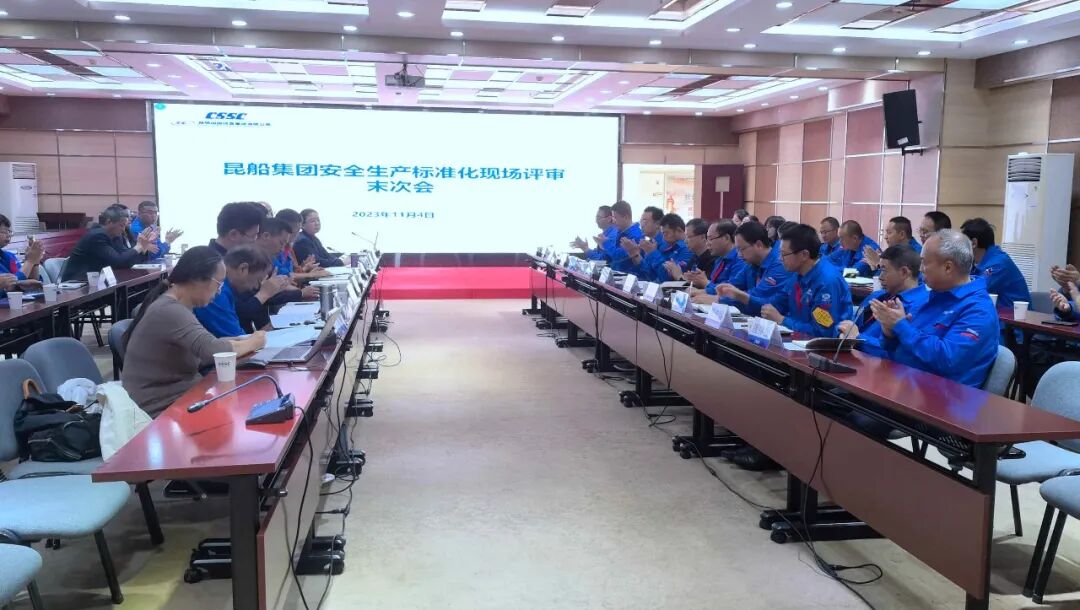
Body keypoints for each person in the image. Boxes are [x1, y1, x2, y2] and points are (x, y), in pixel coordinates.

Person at [121, 246, 266, 417]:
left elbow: (206, 344)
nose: (219, 291)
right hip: (162, 408)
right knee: (245, 410)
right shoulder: (170, 310)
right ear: (198, 279)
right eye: (218, 284)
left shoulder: (179, 306)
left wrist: (243, 340)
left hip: (182, 397)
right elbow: (212, 349)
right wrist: (254, 342)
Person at [846, 230, 999, 388]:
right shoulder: (931, 296)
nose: (920, 269)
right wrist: (889, 332)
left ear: (948, 267)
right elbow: (893, 349)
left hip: (941, 397)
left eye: (925, 262)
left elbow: (947, 360)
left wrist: (900, 326)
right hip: (902, 383)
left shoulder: (978, 310)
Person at [760, 224, 852, 338]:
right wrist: (749, 301)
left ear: (804, 254)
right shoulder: (797, 274)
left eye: (784, 254)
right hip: (797, 340)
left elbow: (823, 332)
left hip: (822, 346)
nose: (780, 259)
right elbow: (777, 303)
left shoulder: (827, 282)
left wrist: (782, 320)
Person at [697, 222, 793, 316]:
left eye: (741, 249)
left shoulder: (779, 264)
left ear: (759, 245)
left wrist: (720, 300)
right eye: (737, 249)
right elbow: (732, 284)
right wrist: (703, 292)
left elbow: (757, 295)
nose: (739, 254)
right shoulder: (751, 263)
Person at [841, 245, 928, 334]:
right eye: (880, 269)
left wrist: (857, 337)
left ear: (904, 272)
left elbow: (899, 343)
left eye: (884, 270)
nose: (880, 277)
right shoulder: (877, 295)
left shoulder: (921, 307)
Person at [193, 245, 277, 338]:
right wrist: (262, 334)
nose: (256, 287)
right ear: (243, 269)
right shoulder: (217, 293)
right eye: (258, 280)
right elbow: (238, 339)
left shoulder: (228, 288)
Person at [61, 205, 158, 281]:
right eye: (121, 225)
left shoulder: (116, 235)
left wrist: (143, 247)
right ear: (109, 222)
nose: (123, 229)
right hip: (79, 281)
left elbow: (126, 260)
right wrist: (139, 247)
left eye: (124, 226)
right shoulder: (97, 236)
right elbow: (118, 261)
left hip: (101, 279)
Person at [961, 217, 1030, 308]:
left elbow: (972, 290)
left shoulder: (998, 264)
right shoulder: (980, 262)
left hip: (1015, 316)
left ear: (973, 243)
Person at [623, 213, 692, 282]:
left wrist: (652, 253)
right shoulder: (663, 246)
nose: (664, 237)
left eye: (666, 233)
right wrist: (635, 254)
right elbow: (649, 274)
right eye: (663, 233)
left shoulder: (687, 249)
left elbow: (666, 278)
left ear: (678, 230)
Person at [685, 219, 745, 295]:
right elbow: (713, 284)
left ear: (726, 238)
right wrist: (698, 282)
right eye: (707, 239)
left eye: (710, 239)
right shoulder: (719, 259)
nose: (707, 243)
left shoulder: (740, 259)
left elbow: (731, 290)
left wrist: (705, 283)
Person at [275, 209, 330, 283]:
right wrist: (311, 275)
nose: (297, 234)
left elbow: (292, 272)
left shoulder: (288, 247)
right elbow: (283, 276)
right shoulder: (275, 249)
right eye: (296, 231)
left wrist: (305, 268)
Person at [0, 213, 44, 295]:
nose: (8, 235)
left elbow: (32, 281)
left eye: (9, 231)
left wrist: (35, 262)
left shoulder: (9, 256)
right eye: (4, 231)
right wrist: (30, 261)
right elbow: (10, 284)